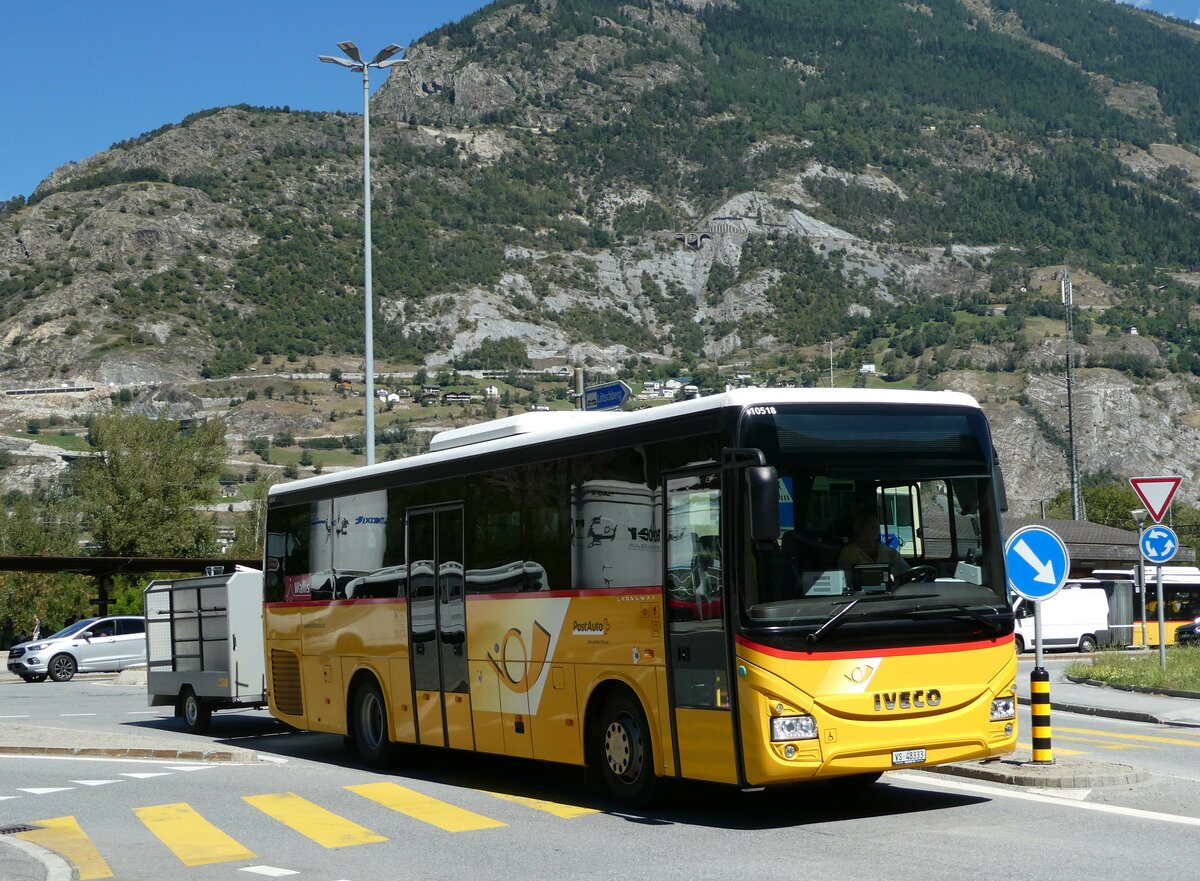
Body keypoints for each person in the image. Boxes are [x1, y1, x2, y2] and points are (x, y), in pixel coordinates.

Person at [837, 512, 907, 578]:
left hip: (894, 590)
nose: (869, 534)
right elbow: (845, 577)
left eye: (874, 529)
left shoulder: (890, 552)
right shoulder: (849, 552)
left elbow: (907, 571)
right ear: (857, 533)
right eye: (865, 531)